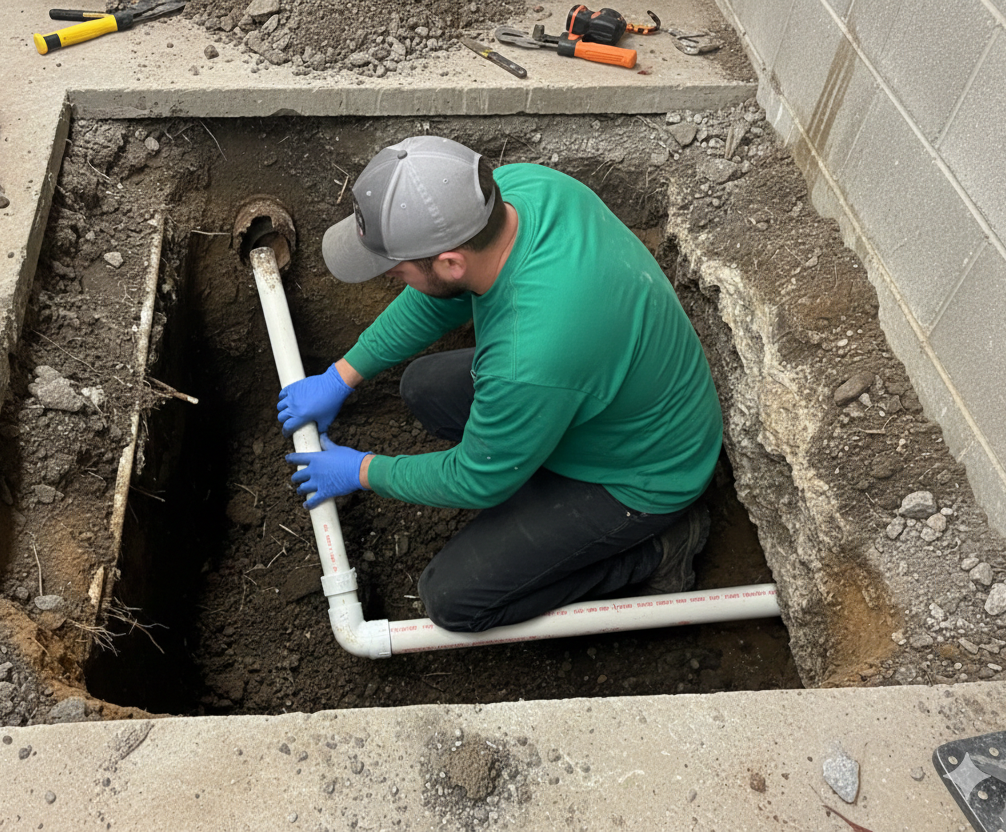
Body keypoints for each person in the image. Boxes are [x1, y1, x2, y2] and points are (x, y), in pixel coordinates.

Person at [278, 135, 723, 634]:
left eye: (398, 270)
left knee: (453, 601)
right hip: (607, 398)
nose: (395, 279)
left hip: (642, 476)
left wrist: (362, 471)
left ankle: (660, 550)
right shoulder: (517, 192)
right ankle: (528, 456)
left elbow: (478, 480)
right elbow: (434, 297)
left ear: (450, 261)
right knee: (423, 386)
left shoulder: (526, 358)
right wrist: (343, 374)